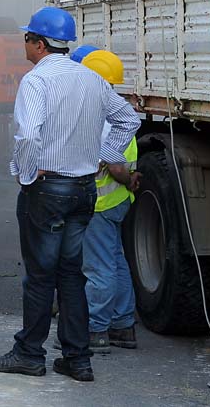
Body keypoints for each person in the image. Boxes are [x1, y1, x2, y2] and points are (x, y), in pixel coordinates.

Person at [0, 7, 140, 383]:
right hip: (84, 191)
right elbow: (129, 119)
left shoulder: (36, 81)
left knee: (40, 276)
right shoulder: (91, 79)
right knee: (71, 275)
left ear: (39, 44)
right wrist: (103, 155)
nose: (24, 44)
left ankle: (29, 354)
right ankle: (77, 359)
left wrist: (26, 175)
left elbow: (28, 135)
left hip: (47, 190)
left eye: (27, 38)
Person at [79, 49, 140, 353]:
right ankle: (123, 326)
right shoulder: (119, 110)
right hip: (117, 202)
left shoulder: (100, 117)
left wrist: (125, 177)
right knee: (116, 261)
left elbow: (114, 166)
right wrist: (129, 181)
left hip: (99, 206)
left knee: (98, 268)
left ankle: (95, 330)